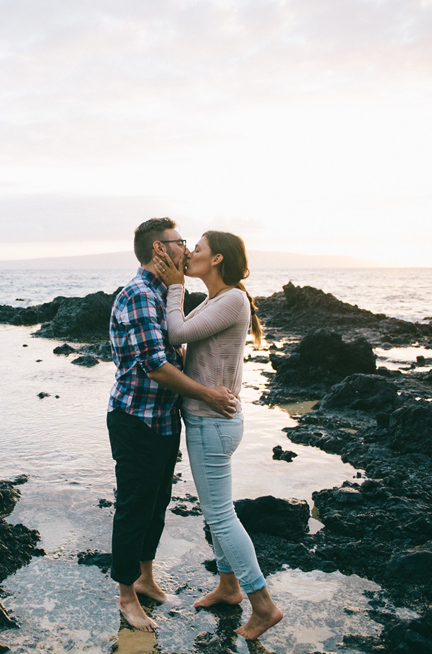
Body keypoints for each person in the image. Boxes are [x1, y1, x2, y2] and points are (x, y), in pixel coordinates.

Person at [107, 218, 237, 632]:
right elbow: (157, 367)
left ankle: (145, 578)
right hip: (135, 419)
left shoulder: (166, 293)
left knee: (157, 503)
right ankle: (127, 596)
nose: (186, 249)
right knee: (133, 507)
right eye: (181, 243)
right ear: (160, 249)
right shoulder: (140, 295)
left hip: (164, 420)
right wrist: (208, 394)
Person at [154, 230, 283, 640]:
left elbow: (176, 334)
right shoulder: (216, 300)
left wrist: (174, 289)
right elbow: (197, 357)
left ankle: (262, 605)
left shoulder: (231, 299)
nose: (189, 252)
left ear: (216, 259)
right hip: (211, 421)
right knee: (219, 511)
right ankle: (229, 588)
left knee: (221, 518)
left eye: (198, 249)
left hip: (213, 425)